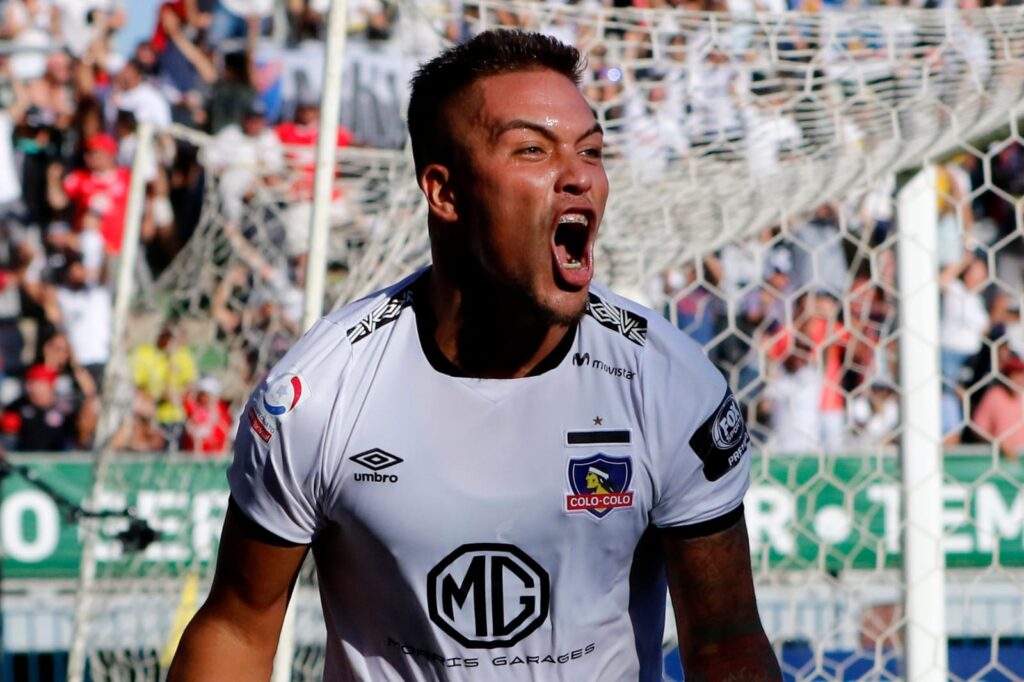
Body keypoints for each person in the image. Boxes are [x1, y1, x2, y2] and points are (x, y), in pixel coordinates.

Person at [169, 30, 779, 681]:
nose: (578, 175)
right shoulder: (317, 396)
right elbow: (237, 626)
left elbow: (726, 641)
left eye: (591, 150)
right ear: (445, 192)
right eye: (532, 150)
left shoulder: (668, 384)